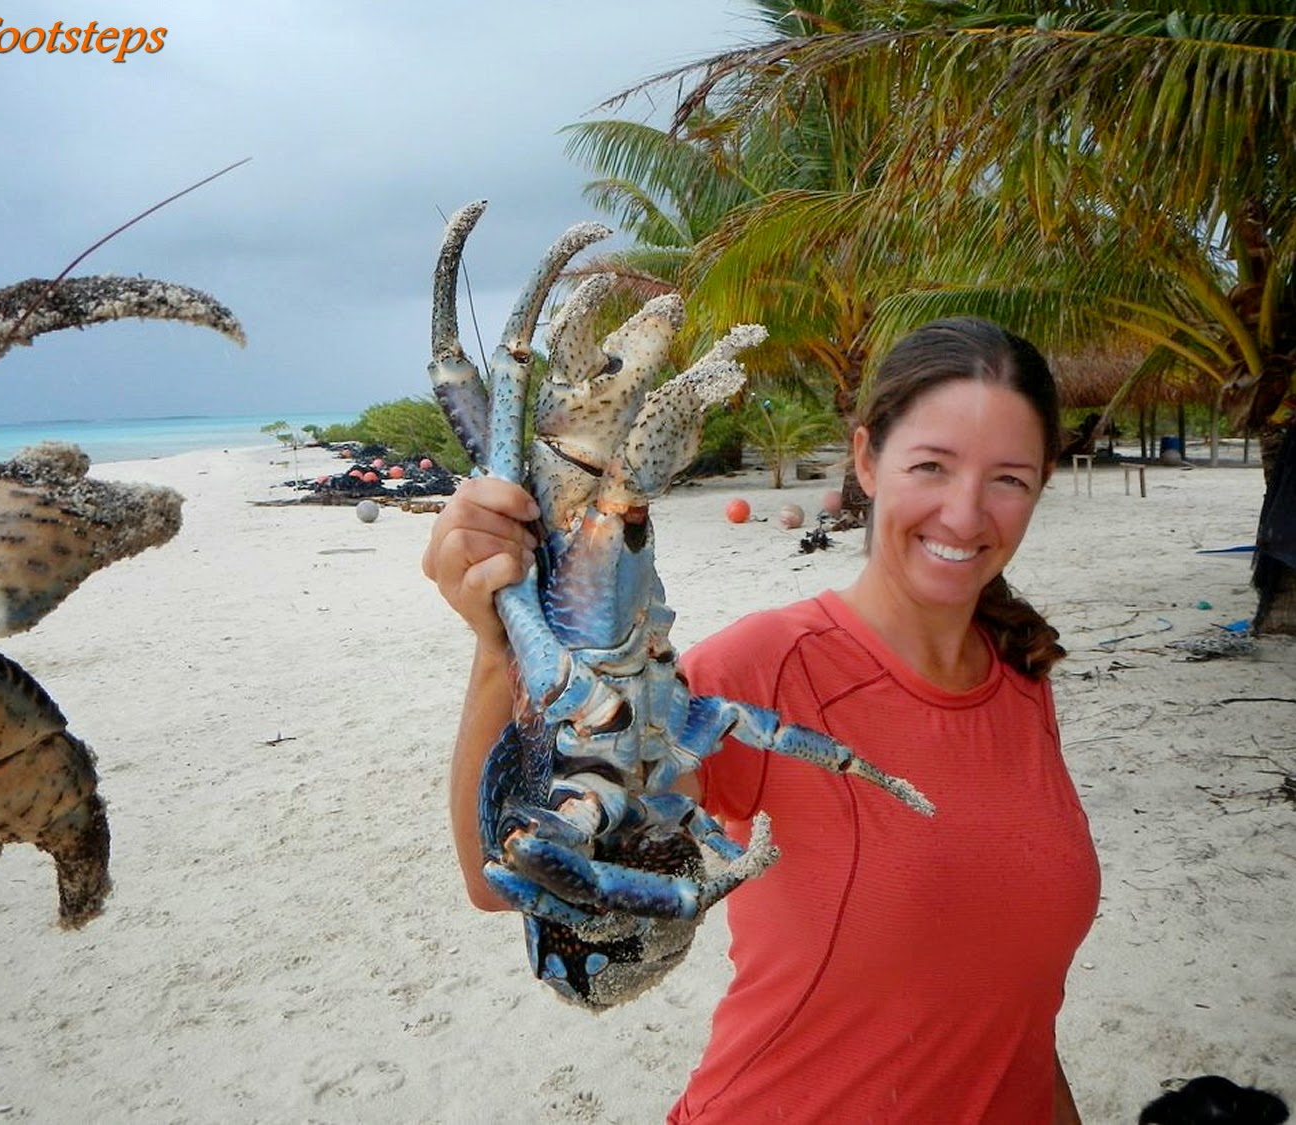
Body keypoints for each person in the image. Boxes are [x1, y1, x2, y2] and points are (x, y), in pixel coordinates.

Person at [421, 316, 1101, 1123]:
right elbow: (498, 882)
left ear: (1044, 482)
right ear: (866, 460)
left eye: (1008, 478)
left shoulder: (1023, 675)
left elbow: (1014, 1005)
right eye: (932, 465)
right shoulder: (760, 668)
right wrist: (499, 638)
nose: (965, 513)